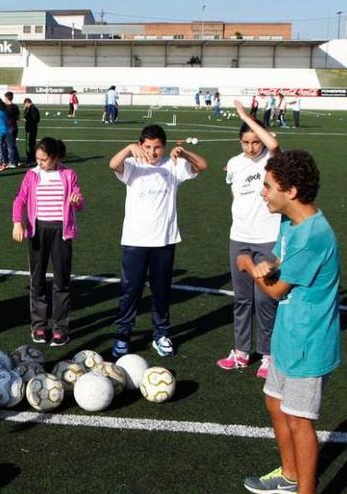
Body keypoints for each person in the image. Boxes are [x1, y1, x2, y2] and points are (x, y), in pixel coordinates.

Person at [238, 150, 340, 494]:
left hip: (308, 345)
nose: (262, 192)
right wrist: (269, 265)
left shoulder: (314, 235)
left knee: (300, 421)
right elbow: (283, 263)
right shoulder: (292, 224)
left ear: (291, 191)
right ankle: (289, 475)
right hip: (288, 336)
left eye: (268, 186)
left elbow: (277, 291)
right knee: (274, 402)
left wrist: (248, 266)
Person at [109, 124, 208, 358]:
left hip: (164, 241)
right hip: (134, 241)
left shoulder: (172, 166)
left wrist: (183, 153)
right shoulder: (133, 166)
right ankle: (123, 335)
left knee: (161, 291)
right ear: (140, 146)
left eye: (157, 148)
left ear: (164, 147)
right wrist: (129, 148)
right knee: (130, 290)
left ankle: (161, 334)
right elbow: (113, 165)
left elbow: (202, 165)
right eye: (147, 147)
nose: (152, 152)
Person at [217, 100, 281, 377]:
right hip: (239, 237)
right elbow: (235, 195)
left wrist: (246, 116)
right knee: (242, 298)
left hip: (267, 238)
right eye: (246, 142)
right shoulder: (233, 163)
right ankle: (242, 351)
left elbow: (274, 145)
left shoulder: (271, 159)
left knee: (265, 299)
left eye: (256, 141)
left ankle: (268, 355)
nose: (252, 147)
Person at [12, 137, 83, 347]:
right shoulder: (32, 175)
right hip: (38, 231)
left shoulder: (68, 174)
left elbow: (78, 199)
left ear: (55, 158)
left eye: (44, 159)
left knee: (62, 281)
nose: (40, 163)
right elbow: (20, 199)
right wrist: (18, 222)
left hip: (62, 231)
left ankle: (60, 326)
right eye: (37, 159)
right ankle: (39, 325)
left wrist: (77, 201)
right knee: (37, 280)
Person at [4, 91, 21, 166]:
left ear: (6, 98)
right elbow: (18, 118)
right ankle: (17, 160)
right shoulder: (15, 106)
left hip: (8, 127)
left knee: (10, 146)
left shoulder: (5, 107)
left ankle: (13, 162)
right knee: (13, 145)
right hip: (14, 127)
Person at [23, 98, 40, 164]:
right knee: (31, 143)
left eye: (25, 104)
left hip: (31, 128)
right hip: (33, 127)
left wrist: (25, 112)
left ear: (27, 103)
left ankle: (30, 157)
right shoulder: (33, 108)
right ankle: (32, 157)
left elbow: (31, 117)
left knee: (30, 143)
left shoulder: (32, 108)